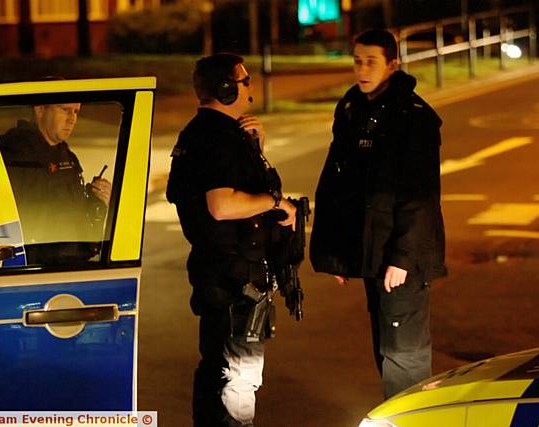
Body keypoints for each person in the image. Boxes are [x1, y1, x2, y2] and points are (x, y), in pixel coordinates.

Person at [310, 29, 447, 400]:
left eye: (371, 61)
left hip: (402, 259)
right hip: (373, 253)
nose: (362, 69)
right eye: (357, 60)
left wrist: (402, 258)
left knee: (405, 357)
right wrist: (337, 254)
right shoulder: (353, 108)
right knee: (387, 351)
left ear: (393, 64)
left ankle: (412, 422)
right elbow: (339, 184)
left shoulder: (412, 117)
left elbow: (420, 196)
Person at [166, 53, 296, 427]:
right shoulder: (218, 139)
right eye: (244, 82)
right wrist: (276, 202)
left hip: (219, 274)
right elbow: (221, 205)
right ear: (225, 90)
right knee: (238, 379)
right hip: (234, 279)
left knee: (217, 371)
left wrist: (256, 147)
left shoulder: (204, 134)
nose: (250, 89)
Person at [0, 102, 112, 264]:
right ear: (40, 109)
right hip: (34, 267)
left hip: (71, 262)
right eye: (65, 110)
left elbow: (73, 214)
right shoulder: (13, 153)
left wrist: (98, 201)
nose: (72, 119)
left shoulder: (66, 156)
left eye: (76, 112)